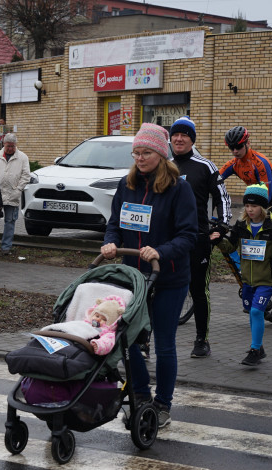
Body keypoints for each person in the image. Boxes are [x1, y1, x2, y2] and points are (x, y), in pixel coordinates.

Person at [102, 122, 197, 427]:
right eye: (136, 153)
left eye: (146, 152)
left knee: (164, 344)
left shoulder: (178, 188)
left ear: (160, 153)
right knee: (128, 340)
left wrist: (161, 251)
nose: (139, 158)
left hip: (168, 278)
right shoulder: (126, 184)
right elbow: (114, 223)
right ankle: (141, 395)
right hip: (134, 278)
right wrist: (110, 242)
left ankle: (163, 404)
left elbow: (188, 235)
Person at [168, 116, 231, 358]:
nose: (179, 138)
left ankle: (201, 340)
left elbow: (222, 197)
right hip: (169, 241)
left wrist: (223, 226)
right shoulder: (166, 165)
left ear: (192, 139)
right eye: (176, 135)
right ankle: (147, 338)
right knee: (160, 287)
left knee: (198, 290)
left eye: (184, 135)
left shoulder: (205, 166)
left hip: (197, 239)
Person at [219, 126, 272, 319]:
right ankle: (260, 291)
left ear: (247, 143)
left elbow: (266, 194)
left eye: (239, 146)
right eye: (232, 148)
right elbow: (216, 179)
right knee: (253, 248)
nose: (235, 151)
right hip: (257, 202)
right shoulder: (234, 163)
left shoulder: (260, 162)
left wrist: (257, 219)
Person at [211, 185, 272, 366]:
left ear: (263, 208)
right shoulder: (241, 226)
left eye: (254, 206)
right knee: (251, 312)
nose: (250, 210)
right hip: (247, 281)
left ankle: (255, 349)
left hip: (266, 279)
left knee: (257, 311)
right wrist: (218, 240)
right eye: (247, 206)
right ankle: (259, 347)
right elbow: (230, 247)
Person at [0, 133, 29, 256]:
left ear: (15, 145)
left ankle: (6, 247)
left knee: (10, 221)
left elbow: (26, 175)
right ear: (3, 144)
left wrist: (18, 190)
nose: (10, 149)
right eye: (8, 146)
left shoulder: (22, 157)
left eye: (12, 146)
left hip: (13, 194)